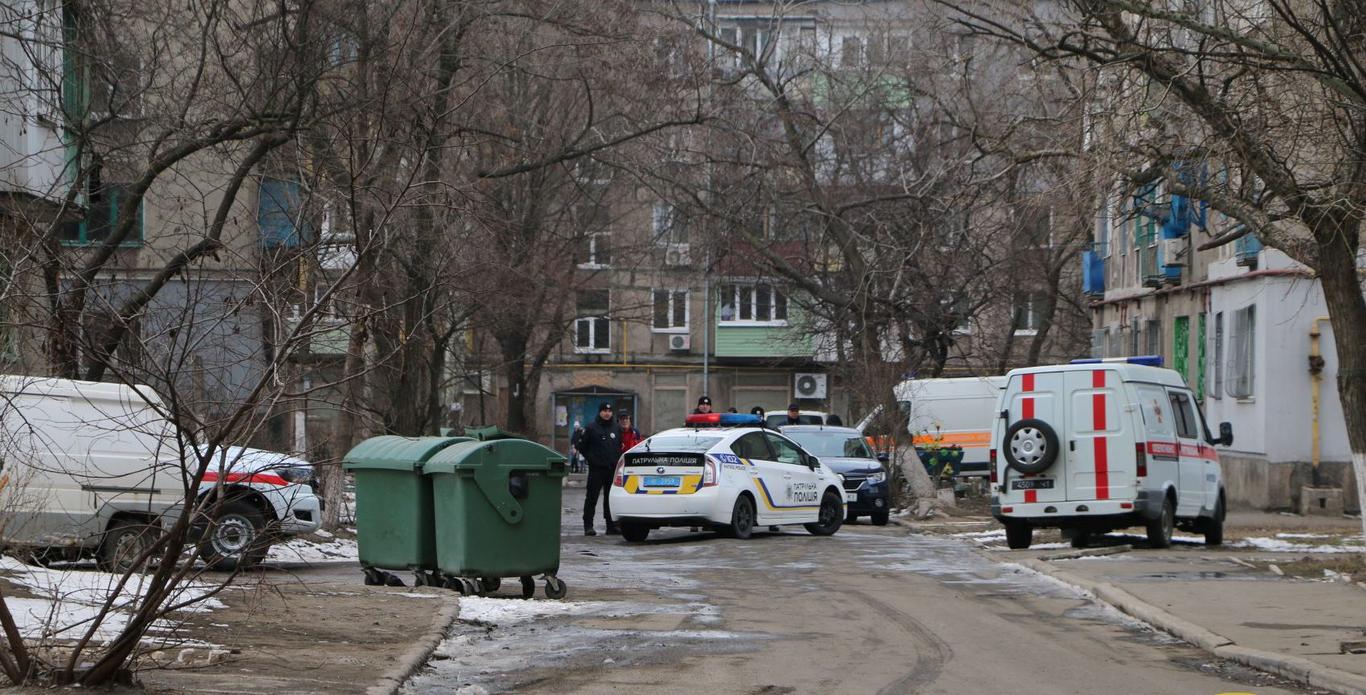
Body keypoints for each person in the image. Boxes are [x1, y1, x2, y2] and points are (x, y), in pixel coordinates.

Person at [578, 402, 621, 536]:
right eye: (604, 411)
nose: (607, 413)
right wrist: (592, 460)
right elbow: (582, 446)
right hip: (597, 470)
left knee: (609, 498)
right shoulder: (592, 427)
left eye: (609, 411)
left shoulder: (615, 427)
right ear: (600, 412)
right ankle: (588, 525)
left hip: (611, 469)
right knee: (592, 497)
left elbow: (619, 446)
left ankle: (610, 526)